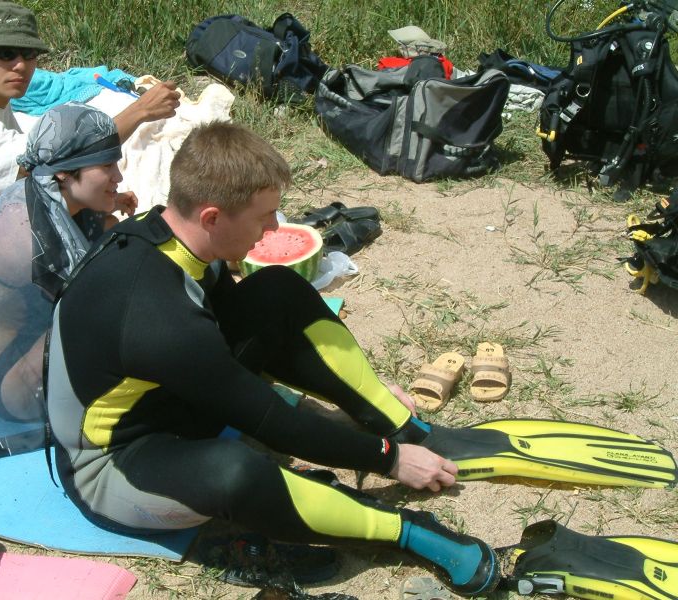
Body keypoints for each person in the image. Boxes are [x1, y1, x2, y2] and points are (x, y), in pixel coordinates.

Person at [45, 121, 499, 596]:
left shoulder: (177, 236)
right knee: (236, 471)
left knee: (277, 289)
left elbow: (236, 324)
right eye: (264, 217)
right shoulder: (159, 317)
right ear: (212, 217)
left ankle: (395, 422)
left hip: (168, 400)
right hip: (113, 465)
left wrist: (364, 396)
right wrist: (390, 461)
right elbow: (273, 424)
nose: (275, 228)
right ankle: (405, 531)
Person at [0, 1, 180, 321]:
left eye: (29, 53)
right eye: (5, 53)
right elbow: (61, 157)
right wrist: (140, 110)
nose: (20, 65)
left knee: (99, 222)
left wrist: (101, 201)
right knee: (63, 225)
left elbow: (47, 162)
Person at [0, 103, 130, 459]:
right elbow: (102, 306)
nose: (118, 175)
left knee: (114, 230)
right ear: (64, 173)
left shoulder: (39, 190)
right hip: (12, 384)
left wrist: (109, 204)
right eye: (106, 166)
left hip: (21, 347)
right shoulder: (28, 242)